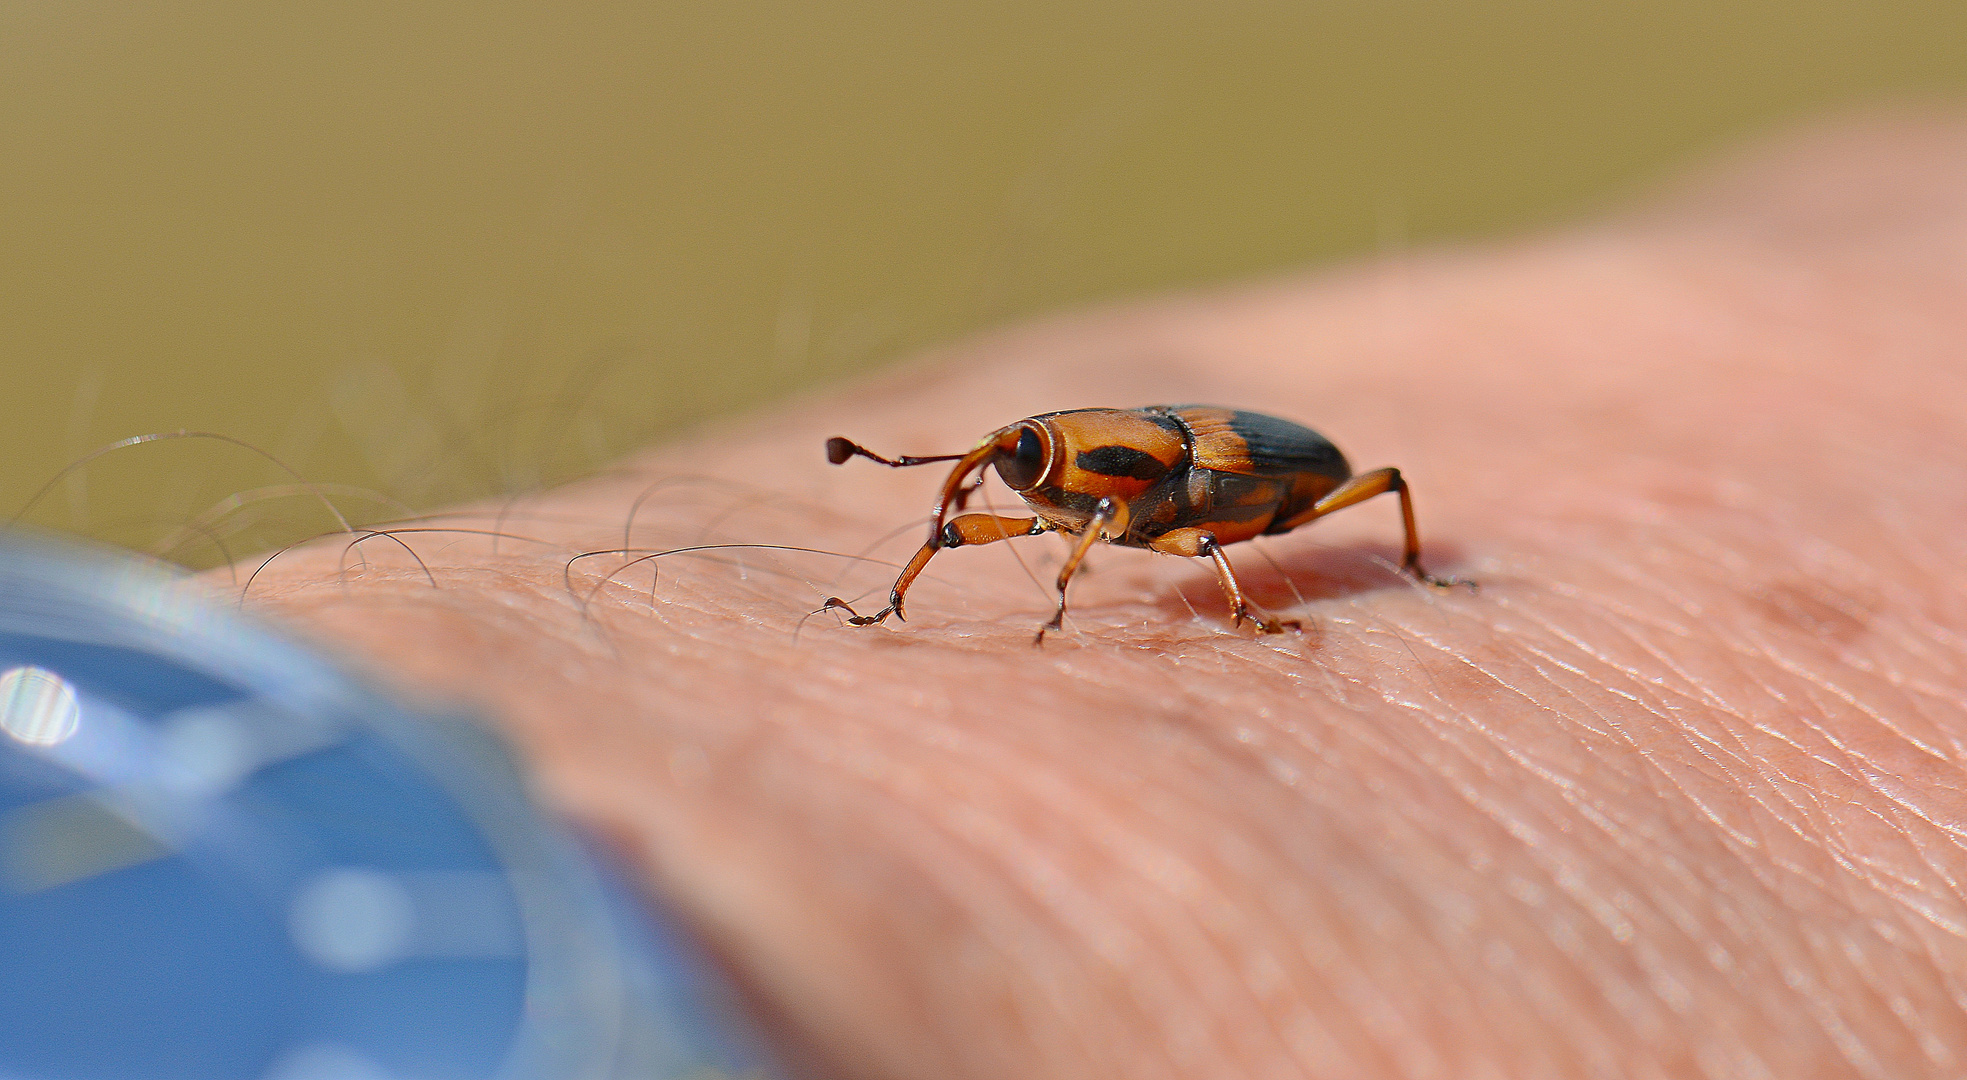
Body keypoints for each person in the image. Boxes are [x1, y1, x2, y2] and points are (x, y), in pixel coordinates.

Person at [230, 109, 1967, 1079]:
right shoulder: (1058, 475)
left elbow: (1185, 512)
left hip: (1270, 472)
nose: (1013, 500)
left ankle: (1398, 574)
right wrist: (925, 560)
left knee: (1323, 511)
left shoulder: (1165, 494)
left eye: (1038, 483)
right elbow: (1020, 504)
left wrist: (1084, 592)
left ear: (1112, 482)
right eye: (1020, 480)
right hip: (1198, 489)